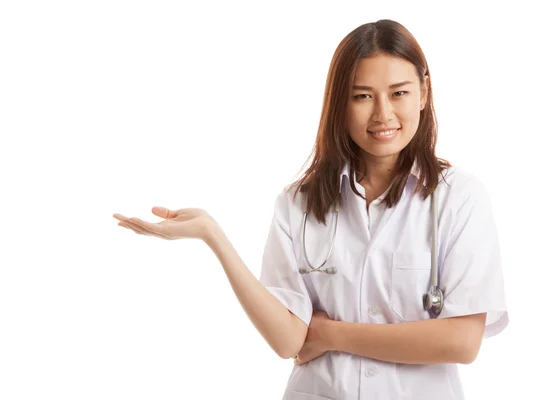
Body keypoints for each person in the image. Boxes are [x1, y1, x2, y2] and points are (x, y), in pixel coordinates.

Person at [113, 19, 508, 400]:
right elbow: (287, 340)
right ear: (340, 103)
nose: (383, 114)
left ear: (423, 93)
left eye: (399, 93)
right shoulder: (298, 203)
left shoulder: (460, 198)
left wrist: (333, 335)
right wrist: (214, 237)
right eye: (362, 95)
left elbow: (461, 341)